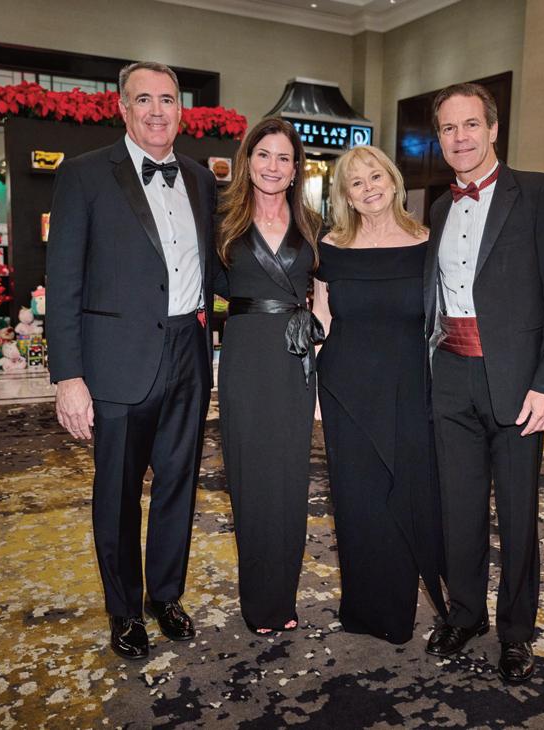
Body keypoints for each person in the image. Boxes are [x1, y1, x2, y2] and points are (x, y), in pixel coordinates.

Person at [46, 62, 220, 660]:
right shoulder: (85, 175)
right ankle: (123, 610)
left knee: (178, 485)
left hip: (189, 352)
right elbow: (63, 282)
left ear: (181, 110)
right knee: (117, 493)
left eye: (167, 99)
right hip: (116, 363)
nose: (156, 110)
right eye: (143, 99)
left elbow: (215, 267)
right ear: (122, 108)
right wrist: (69, 377)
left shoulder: (201, 179)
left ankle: (165, 596)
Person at [423, 83, 544, 681]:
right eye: (448, 128)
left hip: (517, 385)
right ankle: (466, 614)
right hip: (451, 377)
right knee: (458, 510)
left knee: (517, 515)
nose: (459, 138)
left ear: (493, 129)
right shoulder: (439, 209)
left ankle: (516, 632)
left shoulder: (537, 193)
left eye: (470, 125)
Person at [313, 145, 447, 644]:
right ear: (345, 196)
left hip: (410, 387)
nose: (368, 188)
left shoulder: (427, 242)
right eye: (356, 182)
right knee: (357, 500)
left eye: (375, 177)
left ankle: (398, 612)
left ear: (393, 181)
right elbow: (322, 316)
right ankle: (364, 610)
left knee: (407, 496)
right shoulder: (331, 246)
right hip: (345, 388)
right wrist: (315, 394)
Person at [217, 117, 322, 635]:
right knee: (250, 477)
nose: (273, 166)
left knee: (290, 478)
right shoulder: (223, 223)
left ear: (296, 168)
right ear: (248, 161)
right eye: (264, 155)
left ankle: (283, 597)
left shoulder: (315, 225)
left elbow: (326, 295)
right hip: (244, 357)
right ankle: (258, 600)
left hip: (295, 359)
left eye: (284, 157)